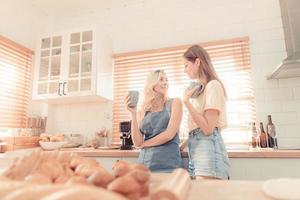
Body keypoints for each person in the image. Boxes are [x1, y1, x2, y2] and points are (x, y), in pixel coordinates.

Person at [180, 45, 230, 180]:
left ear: (197, 62)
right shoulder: (200, 90)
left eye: (186, 65)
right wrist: (183, 145)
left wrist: (186, 102)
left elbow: (207, 129)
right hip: (196, 147)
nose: (184, 70)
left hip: (207, 147)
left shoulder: (213, 86)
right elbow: (197, 128)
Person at [125, 69, 183, 172]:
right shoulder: (143, 110)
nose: (165, 83)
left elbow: (169, 134)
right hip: (144, 164)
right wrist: (133, 113)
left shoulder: (175, 103)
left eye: (166, 80)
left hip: (168, 163)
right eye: (161, 79)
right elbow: (137, 142)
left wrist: (143, 144)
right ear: (152, 84)